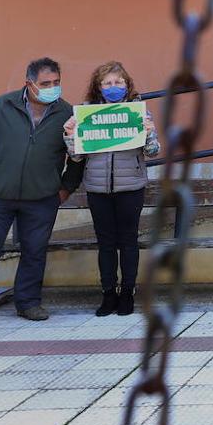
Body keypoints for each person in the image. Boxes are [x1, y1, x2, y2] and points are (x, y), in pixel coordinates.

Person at [0, 58, 81, 332]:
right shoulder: (1, 106)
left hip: (42, 198)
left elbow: (77, 155)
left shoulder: (67, 113)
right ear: (29, 84)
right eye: (45, 83)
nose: (52, 88)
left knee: (35, 252)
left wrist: (65, 187)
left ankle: (28, 303)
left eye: (56, 83)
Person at [63, 61, 159, 317]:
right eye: (108, 83)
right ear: (98, 86)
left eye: (118, 82)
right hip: (97, 188)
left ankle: (127, 294)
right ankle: (108, 294)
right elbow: (76, 156)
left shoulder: (139, 113)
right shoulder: (86, 113)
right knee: (105, 243)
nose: (113, 87)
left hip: (131, 187)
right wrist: (70, 135)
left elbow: (152, 151)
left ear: (127, 85)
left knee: (128, 241)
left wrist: (149, 133)